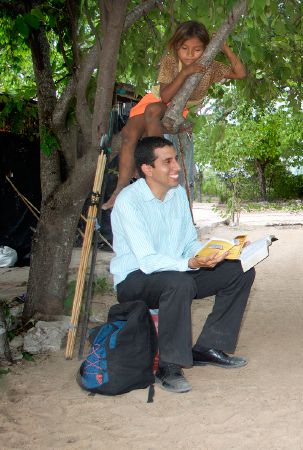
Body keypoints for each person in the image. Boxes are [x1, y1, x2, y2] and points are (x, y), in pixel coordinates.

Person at [110, 136, 254, 393]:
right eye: (167, 161)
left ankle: (207, 347)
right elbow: (147, 260)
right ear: (147, 169)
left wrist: (217, 252)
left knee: (240, 269)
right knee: (179, 282)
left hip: (178, 272)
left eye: (175, 158)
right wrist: (189, 262)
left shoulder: (176, 195)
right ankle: (169, 365)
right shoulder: (128, 202)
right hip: (135, 279)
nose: (176, 166)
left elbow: (189, 243)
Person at [103, 21, 247, 210]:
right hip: (157, 99)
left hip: (180, 106)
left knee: (152, 112)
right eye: (184, 48)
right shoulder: (170, 61)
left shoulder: (210, 67)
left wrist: (224, 48)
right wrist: (185, 72)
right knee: (129, 134)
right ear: (176, 46)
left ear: (206, 49)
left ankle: (156, 169)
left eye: (197, 50)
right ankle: (119, 190)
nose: (189, 54)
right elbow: (164, 96)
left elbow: (240, 73)